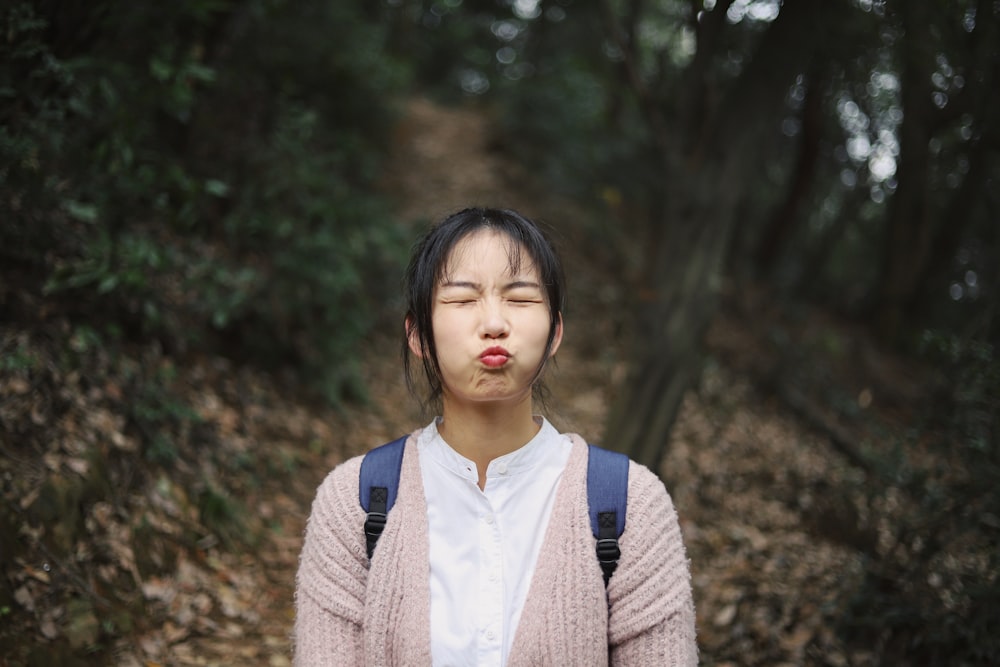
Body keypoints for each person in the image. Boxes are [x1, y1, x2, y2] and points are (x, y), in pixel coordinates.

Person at [294, 207, 697, 666]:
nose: (493, 323)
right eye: (463, 300)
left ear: (555, 332)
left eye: (520, 299)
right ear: (418, 335)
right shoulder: (355, 503)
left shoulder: (629, 504)